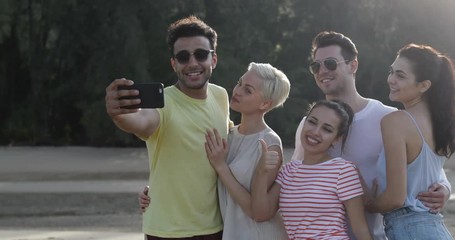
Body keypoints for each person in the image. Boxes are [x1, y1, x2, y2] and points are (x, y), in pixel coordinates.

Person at [291, 31, 451, 239]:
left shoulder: (388, 117)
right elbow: (297, 180)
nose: (322, 71)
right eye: (316, 66)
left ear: (353, 65)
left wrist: (445, 189)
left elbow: (426, 170)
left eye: (330, 63)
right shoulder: (309, 126)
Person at [105, 15, 230, 239]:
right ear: (174, 64)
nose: (192, 63)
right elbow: (141, 122)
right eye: (183, 56)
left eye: (201, 54)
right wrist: (118, 114)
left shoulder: (221, 97)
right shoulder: (163, 105)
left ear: (214, 59)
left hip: (216, 229)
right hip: (166, 232)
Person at [364, 44, 455, 239]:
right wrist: (446, 188)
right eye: (391, 72)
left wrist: (365, 203)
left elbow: (395, 199)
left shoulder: (396, 122)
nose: (391, 80)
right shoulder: (441, 124)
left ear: (424, 85)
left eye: (400, 75)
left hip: (410, 230)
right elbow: (429, 172)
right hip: (434, 229)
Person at [251, 100, 373, 239]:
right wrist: (261, 172)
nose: (315, 132)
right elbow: (260, 214)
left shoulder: (343, 170)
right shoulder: (289, 170)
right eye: (312, 122)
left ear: (336, 139)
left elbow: (360, 228)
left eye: (326, 129)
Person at [204, 62, 290, 240]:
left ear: (265, 103)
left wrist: (221, 167)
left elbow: (256, 211)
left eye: (248, 90)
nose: (237, 91)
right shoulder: (227, 134)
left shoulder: (270, 143)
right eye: (239, 83)